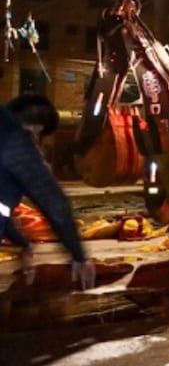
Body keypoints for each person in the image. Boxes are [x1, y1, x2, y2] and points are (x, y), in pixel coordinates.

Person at [0, 94, 95, 289]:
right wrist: (79, 255)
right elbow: (52, 201)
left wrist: (23, 244)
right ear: (35, 128)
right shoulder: (14, 138)